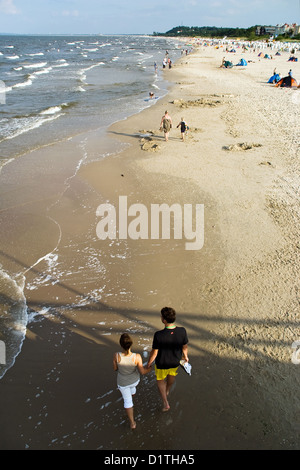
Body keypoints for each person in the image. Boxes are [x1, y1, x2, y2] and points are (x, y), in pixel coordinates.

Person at [146, 307, 189, 412]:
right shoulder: (182, 331)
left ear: (164, 320)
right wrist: (186, 356)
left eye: (161, 316)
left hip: (162, 363)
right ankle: (168, 390)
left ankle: (165, 403)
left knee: (160, 380)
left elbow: (155, 352)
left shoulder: (158, 335)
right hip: (175, 361)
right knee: (171, 375)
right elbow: (185, 347)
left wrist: (149, 363)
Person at [113, 333, 150, 429]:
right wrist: (149, 369)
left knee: (127, 402)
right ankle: (132, 394)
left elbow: (115, 368)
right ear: (131, 344)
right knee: (132, 390)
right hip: (134, 380)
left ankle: (132, 423)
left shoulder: (116, 356)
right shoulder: (136, 356)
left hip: (122, 382)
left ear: (121, 345)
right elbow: (142, 371)